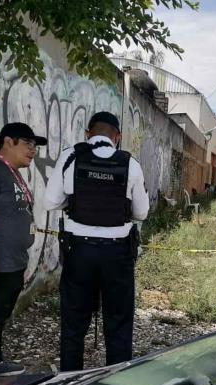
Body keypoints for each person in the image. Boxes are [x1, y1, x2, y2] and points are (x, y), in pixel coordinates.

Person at [45, 112, 149, 371]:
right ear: (118, 137)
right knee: (119, 323)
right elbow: (141, 213)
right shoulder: (130, 163)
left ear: (88, 134)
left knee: (73, 323)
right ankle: (117, 380)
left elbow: (50, 201)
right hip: (117, 255)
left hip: (79, 252)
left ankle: (70, 381)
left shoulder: (71, 156)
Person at [0, 122, 47, 380]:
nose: (33, 150)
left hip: (14, 261)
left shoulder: (12, 173)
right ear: (8, 142)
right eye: (28, 144)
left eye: (35, 146)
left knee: (0, 316)